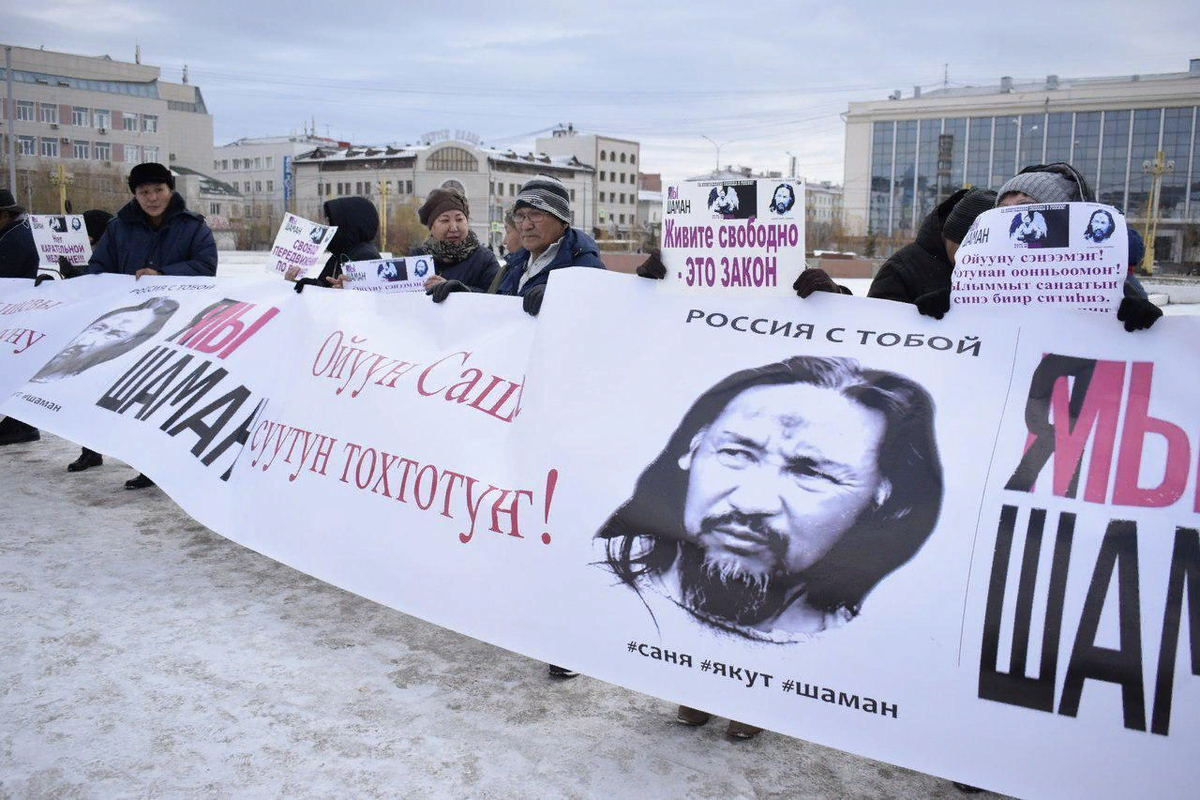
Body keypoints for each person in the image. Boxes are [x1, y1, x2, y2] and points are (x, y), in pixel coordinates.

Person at [596, 355, 942, 642]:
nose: (752, 502)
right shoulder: (588, 574)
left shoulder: (872, 645)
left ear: (878, 500)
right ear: (692, 450)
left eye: (811, 473)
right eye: (736, 453)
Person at [994, 162, 1162, 331]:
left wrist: (1140, 318)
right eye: (1002, 209)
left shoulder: (1104, 284)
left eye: (1025, 206)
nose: (1012, 216)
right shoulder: (982, 275)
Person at [431, 175, 605, 315]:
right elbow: (500, 310)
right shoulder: (517, 263)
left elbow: (600, 318)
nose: (526, 225)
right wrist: (464, 295)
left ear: (562, 221)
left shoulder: (586, 266)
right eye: (520, 216)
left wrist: (561, 299)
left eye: (536, 214)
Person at [866, 187, 997, 317]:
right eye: (968, 251)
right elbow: (875, 324)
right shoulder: (899, 270)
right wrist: (917, 318)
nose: (976, 260)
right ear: (951, 237)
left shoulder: (1001, 266)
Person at [87, 163, 217, 278]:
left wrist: (162, 275)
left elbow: (206, 267)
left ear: (170, 190)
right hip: (130, 303)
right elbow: (98, 270)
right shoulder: (117, 228)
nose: (152, 198)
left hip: (181, 304)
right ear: (135, 195)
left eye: (159, 190)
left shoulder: (194, 227)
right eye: (144, 192)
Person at [63, 210, 116, 471]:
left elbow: (106, 284)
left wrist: (78, 276)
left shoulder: (114, 247)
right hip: (93, 336)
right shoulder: (92, 252)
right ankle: (90, 450)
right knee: (88, 395)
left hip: (116, 336)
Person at [0, 188, 43, 445]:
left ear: (4, 215)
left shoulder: (14, 239)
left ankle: (21, 424)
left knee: (13, 368)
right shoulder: (12, 234)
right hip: (16, 312)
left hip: (16, 314)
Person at [411, 188, 498, 295]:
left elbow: (496, 297)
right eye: (445, 220)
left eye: (459, 219)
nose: (453, 228)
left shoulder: (484, 259)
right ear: (431, 227)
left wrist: (460, 290)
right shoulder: (417, 258)